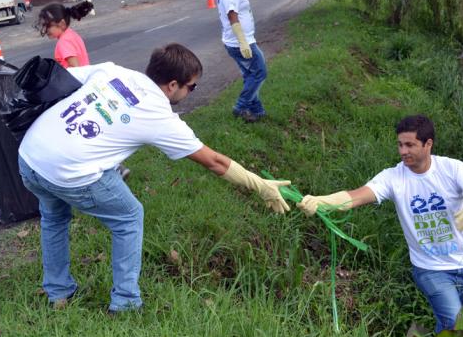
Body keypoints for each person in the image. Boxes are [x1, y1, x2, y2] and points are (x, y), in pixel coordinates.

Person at [18, 43, 291, 311]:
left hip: (30, 155)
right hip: (67, 170)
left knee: (54, 217)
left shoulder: (114, 72)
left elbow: (59, 78)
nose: (191, 92)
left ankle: (58, 295)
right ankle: (125, 303)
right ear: (173, 85)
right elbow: (215, 162)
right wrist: (260, 185)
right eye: (191, 87)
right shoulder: (159, 115)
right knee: (129, 217)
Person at [298, 115, 463, 334]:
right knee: (456, 327)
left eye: (410, 145)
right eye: (400, 144)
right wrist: (321, 201)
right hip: (430, 268)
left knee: (456, 324)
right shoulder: (393, 178)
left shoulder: (452, 169)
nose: (403, 151)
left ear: (428, 144)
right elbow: (355, 196)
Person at [217, 0, 267, 123]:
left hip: (236, 41)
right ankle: (240, 107)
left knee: (249, 75)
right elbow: (232, 15)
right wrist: (243, 42)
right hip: (241, 42)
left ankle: (257, 110)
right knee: (260, 72)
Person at [35, 1, 93, 68]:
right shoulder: (71, 35)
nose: (45, 30)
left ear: (62, 24)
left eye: (48, 26)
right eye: (44, 26)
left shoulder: (64, 42)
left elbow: (75, 67)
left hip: (75, 78)